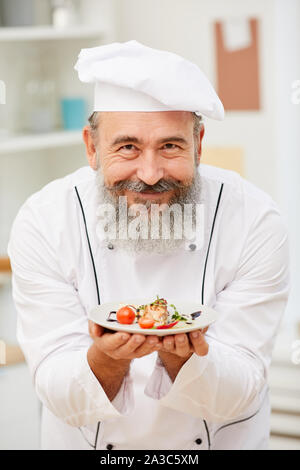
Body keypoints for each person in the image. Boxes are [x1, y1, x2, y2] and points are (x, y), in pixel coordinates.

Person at [8, 40, 290, 450]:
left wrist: (181, 356)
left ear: (198, 144)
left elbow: (243, 386)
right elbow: (55, 385)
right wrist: (108, 359)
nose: (151, 173)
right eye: (128, 147)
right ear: (91, 147)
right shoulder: (45, 220)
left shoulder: (254, 219)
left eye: (171, 146)